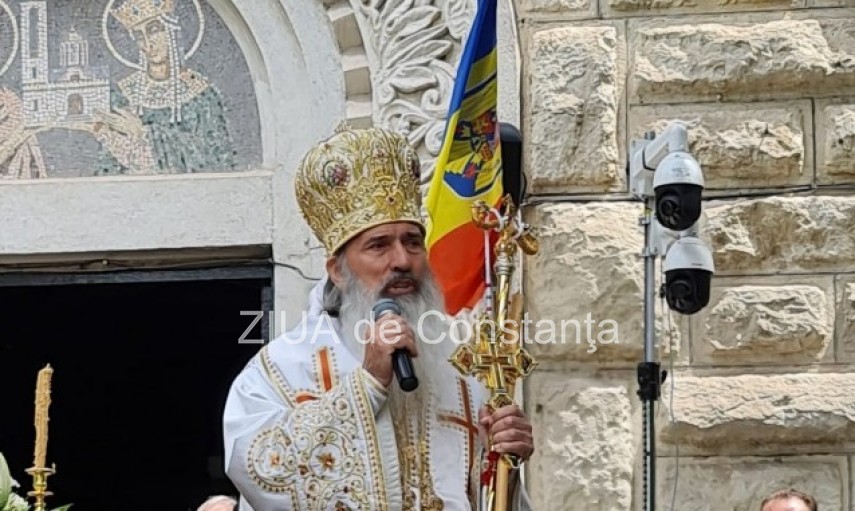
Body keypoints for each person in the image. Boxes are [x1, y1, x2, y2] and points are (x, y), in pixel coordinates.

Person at [222, 126, 535, 510]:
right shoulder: (280, 372)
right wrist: (366, 386)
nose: (402, 261)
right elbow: (260, 472)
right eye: (379, 245)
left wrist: (506, 464)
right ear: (337, 270)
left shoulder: (463, 367)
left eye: (412, 242)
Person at [95, 0, 235, 175]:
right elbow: (107, 168)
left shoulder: (202, 95)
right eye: (139, 36)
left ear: (172, 30)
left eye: (154, 30)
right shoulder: (123, 95)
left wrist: (142, 133)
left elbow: (217, 159)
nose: (147, 43)